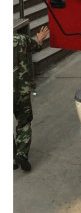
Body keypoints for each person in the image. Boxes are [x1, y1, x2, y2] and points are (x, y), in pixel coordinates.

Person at [13, 25, 49, 172]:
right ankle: (21, 153)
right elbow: (36, 46)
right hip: (21, 89)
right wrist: (40, 39)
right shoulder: (20, 39)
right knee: (24, 122)